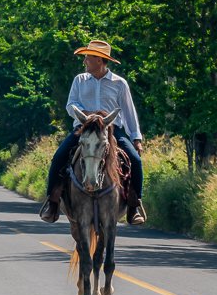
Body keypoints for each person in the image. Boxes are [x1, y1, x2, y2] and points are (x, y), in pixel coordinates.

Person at [39, 39, 146, 225]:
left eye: (88, 57)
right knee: (58, 158)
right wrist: (87, 115)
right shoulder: (79, 80)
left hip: (112, 130)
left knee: (135, 161)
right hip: (83, 129)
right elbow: (70, 104)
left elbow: (129, 111)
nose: (85, 61)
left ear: (99, 60)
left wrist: (136, 138)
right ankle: (53, 202)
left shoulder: (119, 83)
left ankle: (133, 205)